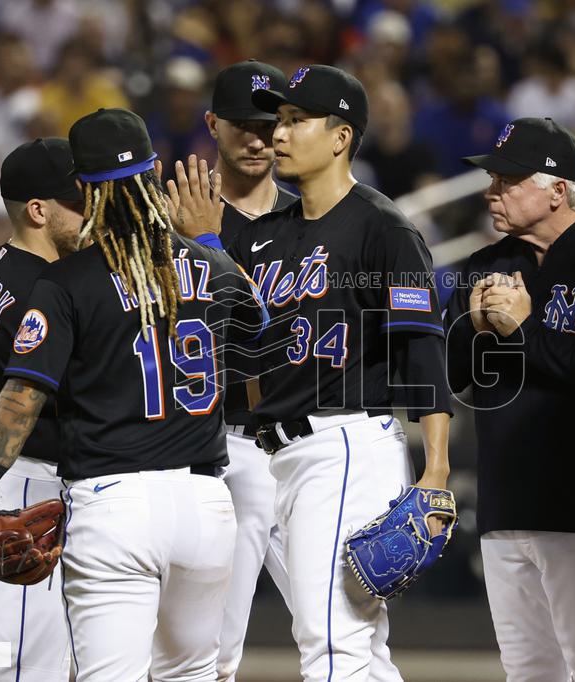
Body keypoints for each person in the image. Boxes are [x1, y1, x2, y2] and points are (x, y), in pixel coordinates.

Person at [0, 108, 268, 681]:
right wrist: (210, 242)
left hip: (110, 499)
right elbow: (260, 332)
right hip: (205, 502)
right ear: (152, 176)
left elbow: (22, 399)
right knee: (192, 673)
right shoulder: (208, 263)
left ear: (90, 192)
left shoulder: (63, 280)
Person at [223, 64, 454, 681]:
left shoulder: (385, 229)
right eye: (281, 119)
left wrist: (435, 470)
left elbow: (423, 350)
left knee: (330, 642)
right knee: (361, 648)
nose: (280, 132)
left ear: (340, 136)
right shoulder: (263, 236)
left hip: (347, 444)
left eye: (298, 120)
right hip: (284, 458)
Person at [444, 117, 575, 682]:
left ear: (557, 188)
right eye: (492, 179)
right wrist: (473, 327)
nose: (491, 192)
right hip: (504, 502)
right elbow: (450, 378)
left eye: (508, 180)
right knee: (526, 670)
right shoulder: (486, 265)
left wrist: (521, 331)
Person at [0, 137, 83, 681]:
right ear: (38, 210)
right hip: (29, 483)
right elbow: (49, 397)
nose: (91, 210)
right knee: (27, 669)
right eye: (79, 200)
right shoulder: (41, 287)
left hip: (6, 473)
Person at [204, 58, 298, 682]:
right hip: (214, 447)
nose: (258, 137)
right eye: (242, 123)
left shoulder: (308, 219)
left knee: (352, 625)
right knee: (211, 651)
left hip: (301, 447)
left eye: (272, 122)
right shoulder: (173, 219)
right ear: (212, 124)